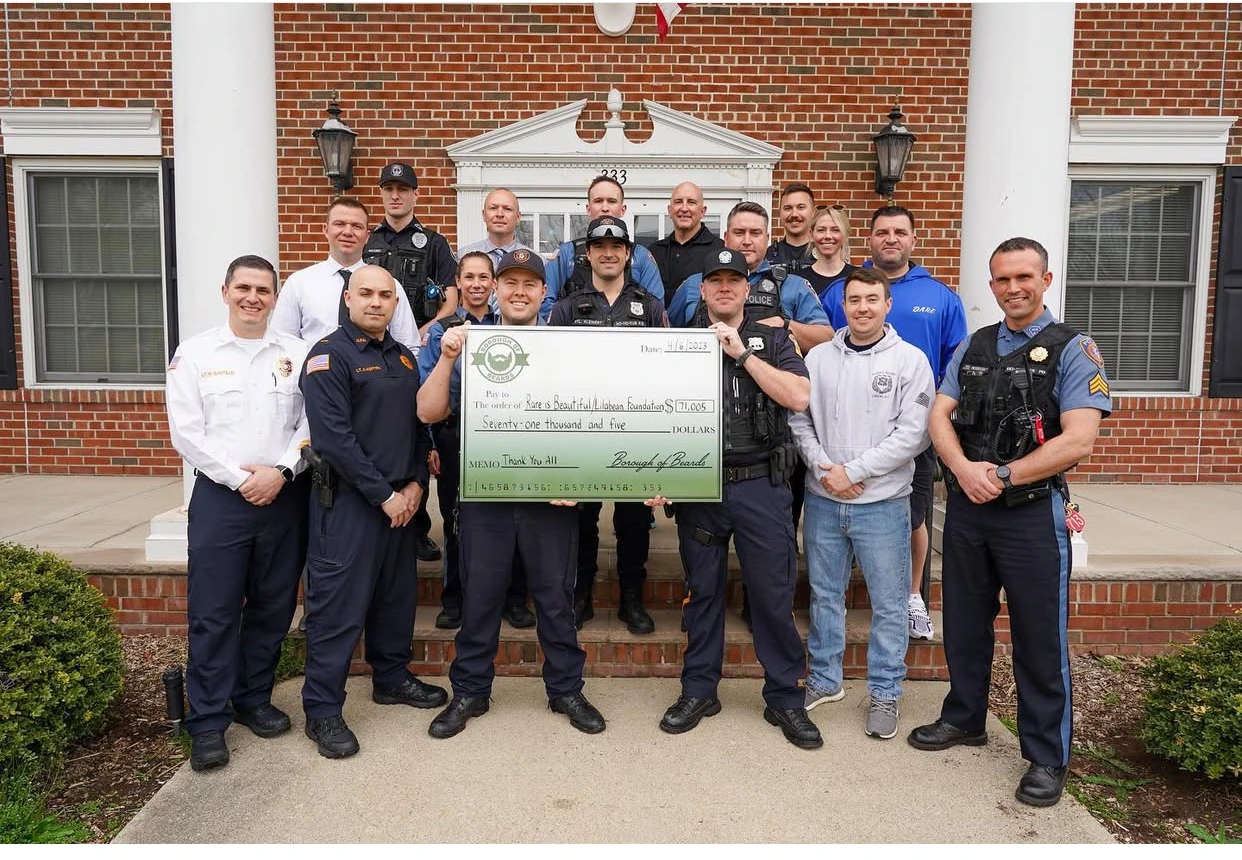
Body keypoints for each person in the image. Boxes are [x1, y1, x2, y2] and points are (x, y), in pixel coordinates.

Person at [907, 237, 1111, 808]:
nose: (1013, 288)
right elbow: (939, 414)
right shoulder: (974, 345)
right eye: (1001, 279)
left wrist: (999, 476)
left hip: (1030, 515)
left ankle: (1047, 755)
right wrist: (962, 468)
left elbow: (1079, 439)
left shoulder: (1074, 349)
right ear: (991, 284)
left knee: (1039, 638)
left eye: (1024, 277)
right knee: (966, 625)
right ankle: (965, 717)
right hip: (970, 510)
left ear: (1046, 280)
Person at [419, 249, 606, 739]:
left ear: (545, 293)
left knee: (554, 599)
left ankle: (566, 688)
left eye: (530, 284)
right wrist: (447, 358)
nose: (519, 292)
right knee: (480, 597)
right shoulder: (466, 342)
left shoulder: (567, 348)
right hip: (486, 492)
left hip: (551, 495)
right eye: (510, 283)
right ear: (495, 290)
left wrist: (581, 481)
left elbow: (590, 420)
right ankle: (470, 691)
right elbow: (427, 411)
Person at [648, 249, 821, 750]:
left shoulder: (773, 340)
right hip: (700, 486)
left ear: (748, 290)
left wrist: (742, 353)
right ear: (701, 291)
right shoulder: (677, 344)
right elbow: (653, 411)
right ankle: (699, 690)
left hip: (760, 485)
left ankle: (785, 697)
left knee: (770, 594)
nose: (724, 289)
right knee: (702, 594)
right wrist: (653, 472)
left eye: (734, 281)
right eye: (715, 281)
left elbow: (799, 396)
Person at [166, 254, 312, 772]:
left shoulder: (297, 353)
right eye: (244, 288)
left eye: (263, 290)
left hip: (285, 496)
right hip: (222, 501)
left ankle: (253, 697)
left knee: (273, 607)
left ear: (275, 297)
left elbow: (309, 425)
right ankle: (207, 720)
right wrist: (243, 478)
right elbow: (187, 431)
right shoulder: (197, 354)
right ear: (225, 291)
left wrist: (281, 472)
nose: (254, 298)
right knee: (214, 612)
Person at [298, 265, 447, 759]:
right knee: (338, 611)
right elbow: (335, 441)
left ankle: (391, 677)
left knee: (394, 600)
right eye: (366, 293)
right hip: (349, 507)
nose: (377, 302)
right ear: (347, 298)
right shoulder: (328, 357)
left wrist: (414, 487)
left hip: (399, 506)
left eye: (387, 295)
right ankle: (322, 711)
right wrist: (385, 496)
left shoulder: (404, 358)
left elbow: (418, 428)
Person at [789, 267, 934, 740]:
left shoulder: (911, 362)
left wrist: (852, 472)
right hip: (824, 500)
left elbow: (912, 436)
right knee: (825, 596)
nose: (863, 308)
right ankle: (826, 679)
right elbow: (799, 420)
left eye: (872, 299)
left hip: (883, 504)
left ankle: (885, 691)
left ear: (888, 304)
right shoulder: (818, 360)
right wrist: (824, 468)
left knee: (889, 604)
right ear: (843, 305)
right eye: (854, 299)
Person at [819, 205, 968, 641]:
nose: (890, 239)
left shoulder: (940, 296)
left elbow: (955, 366)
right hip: (846, 434)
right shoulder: (844, 290)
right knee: (837, 521)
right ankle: (836, 609)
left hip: (909, 430)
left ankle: (912, 598)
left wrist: (936, 423)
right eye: (882, 232)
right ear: (869, 240)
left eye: (899, 232)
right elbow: (827, 346)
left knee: (913, 516)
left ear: (913, 240)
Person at [548, 216, 667, 634]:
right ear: (589, 254)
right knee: (581, 517)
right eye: (600, 246)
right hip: (582, 433)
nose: (609, 252)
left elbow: (664, 375)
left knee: (634, 520)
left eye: (617, 246)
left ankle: (631, 598)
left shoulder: (650, 307)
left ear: (628, 253)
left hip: (635, 434)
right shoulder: (565, 308)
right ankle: (581, 596)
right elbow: (551, 374)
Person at [418, 251, 533, 630]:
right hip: (455, 435)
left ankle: (514, 599)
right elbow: (425, 391)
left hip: (510, 437)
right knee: (456, 521)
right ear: (459, 283)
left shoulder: (514, 325)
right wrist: (429, 442)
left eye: (485, 277)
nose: (477, 284)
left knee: (514, 520)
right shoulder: (443, 331)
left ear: (494, 284)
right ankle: (455, 597)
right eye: (470, 277)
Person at [667, 202, 833, 356]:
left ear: (767, 238)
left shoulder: (793, 285)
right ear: (726, 237)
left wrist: (784, 325)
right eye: (739, 233)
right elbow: (665, 337)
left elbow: (826, 339)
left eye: (755, 233)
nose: (747, 241)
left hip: (769, 382)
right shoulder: (694, 284)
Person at [271, 197, 419, 351]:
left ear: (367, 236)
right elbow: (282, 344)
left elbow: (408, 347)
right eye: (339, 224)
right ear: (326, 230)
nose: (348, 232)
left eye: (356, 226)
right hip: (316, 373)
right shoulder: (298, 284)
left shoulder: (389, 286)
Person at [543, 174, 664, 317]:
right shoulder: (567, 253)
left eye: (612, 201)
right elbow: (545, 303)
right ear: (588, 208)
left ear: (622, 209)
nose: (605, 207)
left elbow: (656, 309)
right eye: (598, 201)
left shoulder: (640, 255)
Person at [363, 161, 458, 341]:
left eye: (403, 189)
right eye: (389, 189)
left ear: (416, 194)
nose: (395, 196)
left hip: (419, 345)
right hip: (368, 344)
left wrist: (415, 338)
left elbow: (450, 306)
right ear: (381, 193)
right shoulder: (366, 241)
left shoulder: (435, 243)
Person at [647, 181, 723, 305]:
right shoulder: (653, 252)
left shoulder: (719, 251)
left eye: (691, 202)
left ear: (702, 211)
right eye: (678, 202)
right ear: (670, 210)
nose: (684, 208)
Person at [456, 187, 531, 262]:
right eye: (493, 208)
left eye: (507, 209)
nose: (499, 214)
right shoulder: (463, 256)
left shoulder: (533, 260)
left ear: (518, 217)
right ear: (484, 215)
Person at [802, 205, 858, 299]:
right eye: (821, 230)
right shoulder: (799, 280)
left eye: (835, 230)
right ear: (811, 234)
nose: (828, 236)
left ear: (844, 235)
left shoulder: (859, 277)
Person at [764, 182, 817, 271]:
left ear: (813, 212)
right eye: (788, 208)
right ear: (780, 213)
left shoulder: (824, 255)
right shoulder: (767, 257)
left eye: (801, 207)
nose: (794, 214)